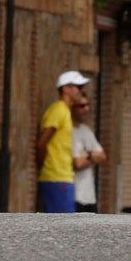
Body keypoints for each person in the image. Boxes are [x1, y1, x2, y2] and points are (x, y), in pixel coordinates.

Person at [36, 71, 90, 213]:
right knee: (61, 229)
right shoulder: (58, 110)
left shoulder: (65, 111)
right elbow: (42, 142)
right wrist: (45, 166)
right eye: (78, 87)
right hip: (56, 178)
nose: (81, 91)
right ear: (66, 89)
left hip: (63, 179)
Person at [71, 99, 107, 213]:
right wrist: (93, 156)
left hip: (90, 198)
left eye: (87, 105)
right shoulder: (68, 131)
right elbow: (78, 163)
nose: (86, 109)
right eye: (82, 106)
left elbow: (102, 156)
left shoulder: (86, 131)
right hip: (74, 196)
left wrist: (87, 154)